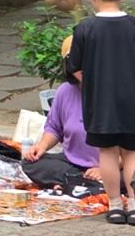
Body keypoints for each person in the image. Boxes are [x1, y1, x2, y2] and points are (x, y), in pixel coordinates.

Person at [65, 0, 135, 224]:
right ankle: (134, 204)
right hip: (132, 101)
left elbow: (75, 67)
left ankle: (115, 205)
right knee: (131, 153)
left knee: (107, 153)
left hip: (101, 103)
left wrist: (94, 84)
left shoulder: (85, 29)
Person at [22, 36, 101, 189]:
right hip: (73, 164)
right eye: (77, 62)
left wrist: (105, 170)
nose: (83, 67)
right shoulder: (65, 91)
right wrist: (41, 146)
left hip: (116, 164)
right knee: (31, 163)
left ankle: (80, 184)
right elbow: (54, 128)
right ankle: (82, 183)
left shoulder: (120, 91)